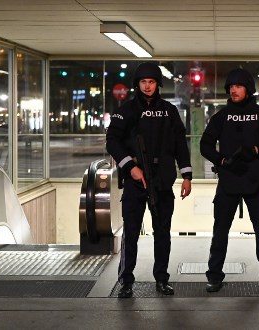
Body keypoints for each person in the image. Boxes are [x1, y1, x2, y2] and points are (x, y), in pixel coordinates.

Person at [106, 62, 192, 298]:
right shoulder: (126, 111)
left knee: (162, 233)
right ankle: (125, 281)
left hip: (162, 181)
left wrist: (187, 176)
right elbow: (112, 141)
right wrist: (130, 166)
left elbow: (180, 145)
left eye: (151, 82)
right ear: (137, 84)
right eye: (143, 82)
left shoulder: (169, 111)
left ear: (158, 84)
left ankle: (162, 280)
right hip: (135, 182)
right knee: (131, 233)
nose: (147, 86)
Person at [200, 68, 259, 292]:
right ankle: (214, 276)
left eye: (238, 86)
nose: (233, 90)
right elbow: (205, 145)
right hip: (228, 178)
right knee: (220, 231)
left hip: (255, 180)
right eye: (230, 87)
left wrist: (257, 150)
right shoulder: (221, 116)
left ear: (248, 89)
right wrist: (223, 160)